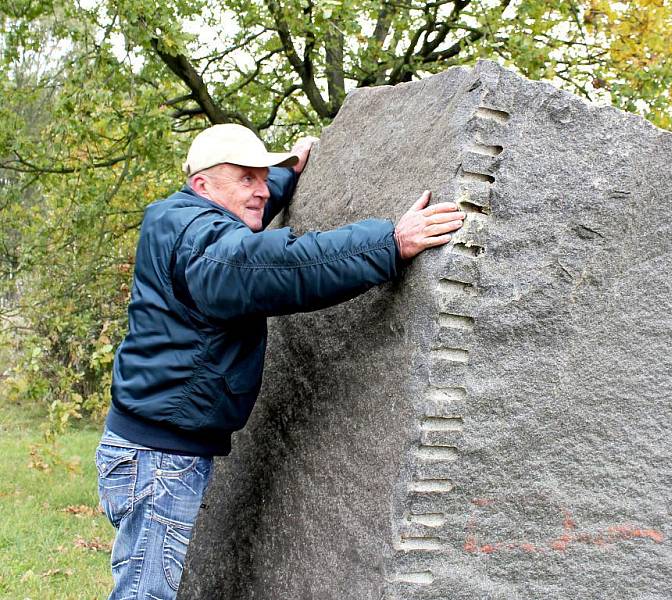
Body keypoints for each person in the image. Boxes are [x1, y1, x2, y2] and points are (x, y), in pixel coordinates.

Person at [94, 123, 465, 599]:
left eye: (262, 176)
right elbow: (280, 266)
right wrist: (388, 244)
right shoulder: (208, 251)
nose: (261, 190)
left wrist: (290, 168)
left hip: (149, 450)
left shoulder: (176, 217)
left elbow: (250, 212)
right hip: (160, 462)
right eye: (247, 177)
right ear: (203, 184)